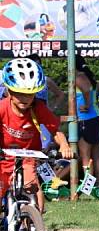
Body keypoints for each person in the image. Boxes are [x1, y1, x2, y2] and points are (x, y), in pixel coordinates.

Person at [0, 58, 72, 212]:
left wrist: (65, 145)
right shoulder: (2, 107)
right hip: (4, 157)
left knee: (32, 186)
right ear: (10, 91)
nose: (25, 99)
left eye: (30, 94)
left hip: (28, 156)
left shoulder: (38, 107)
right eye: (20, 94)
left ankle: (33, 225)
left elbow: (55, 130)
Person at [75, 56, 99, 190]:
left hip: (85, 119)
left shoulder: (79, 77)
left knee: (86, 156)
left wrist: (87, 105)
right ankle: (98, 185)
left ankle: (89, 188)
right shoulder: (90, 78)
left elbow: (86, 91)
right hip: (96, 117)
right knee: (96, 155)